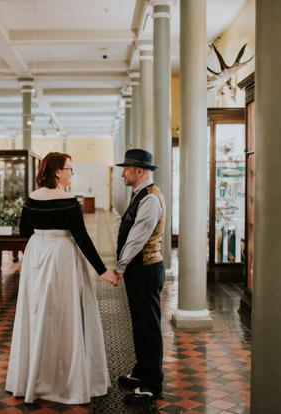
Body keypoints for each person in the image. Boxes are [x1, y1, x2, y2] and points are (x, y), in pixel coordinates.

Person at [5, 152, 118, 404]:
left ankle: (32, 377)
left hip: (36, 256)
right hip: (62, 257)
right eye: (69, 169)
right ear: (57, 171)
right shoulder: (68, 200)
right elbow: (81, 237)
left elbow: (25, 231)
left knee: (37, 312)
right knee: (64, 315)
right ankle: (65, 381)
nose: (71, 173)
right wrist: (103, 271)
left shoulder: (31, 199)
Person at [114, 148, 166, 404]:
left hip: (145, 270)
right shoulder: (140, 195)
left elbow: (137, 238)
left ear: (140, 171)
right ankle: (141, 371)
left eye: (126, 168)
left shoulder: (151, 199)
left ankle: (152, 384)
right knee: (140, 324)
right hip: (139, 271)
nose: (122, 173)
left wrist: (120, 267)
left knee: (149, 327)